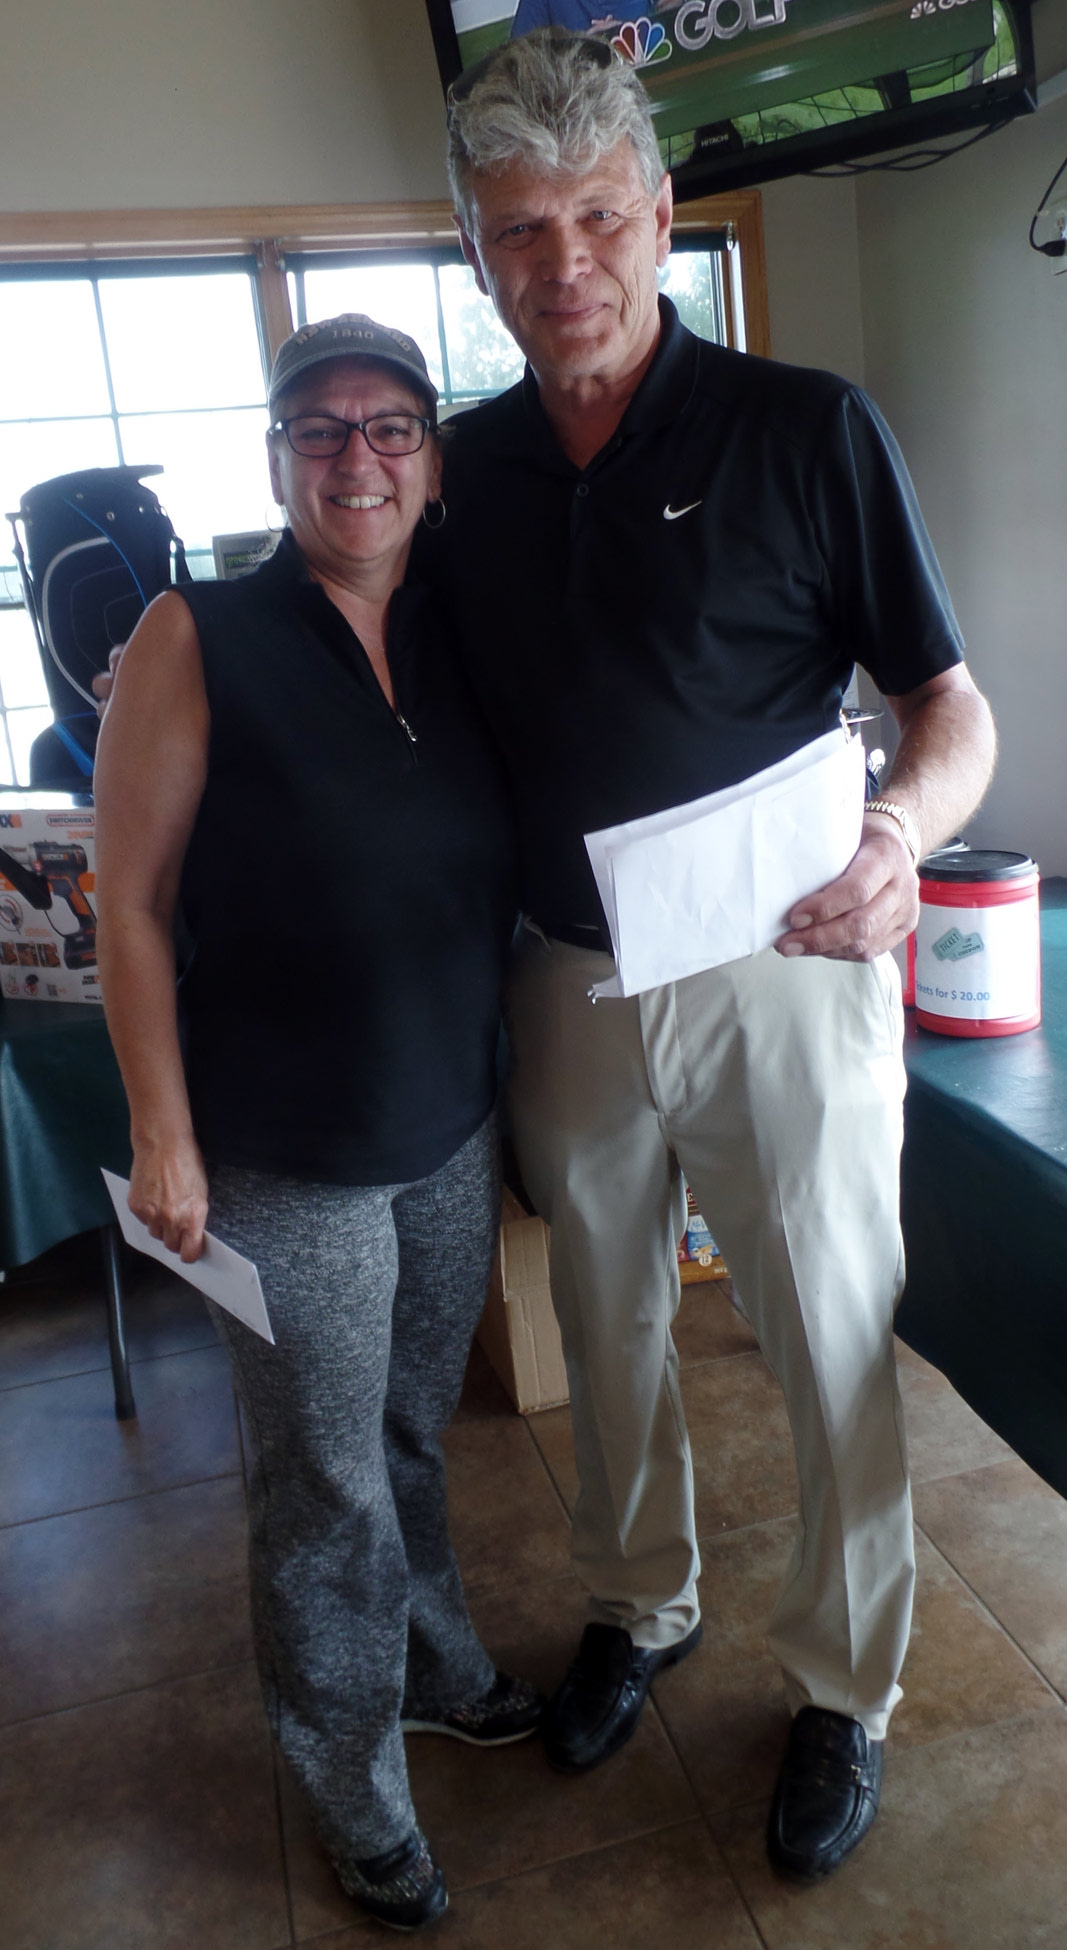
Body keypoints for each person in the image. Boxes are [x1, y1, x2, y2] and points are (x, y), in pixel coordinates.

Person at [432, 29, 997, 1881]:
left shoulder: (806, 427)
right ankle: (637, 1598)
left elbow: (952, 709)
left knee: (829, 1325)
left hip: (783, 966)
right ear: (478, 253)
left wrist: (899, 839)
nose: (565, 264)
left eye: (599, 216)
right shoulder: (462, 472)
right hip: (568, 978)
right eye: (521, 231)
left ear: (661, 211)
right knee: (604, 1326)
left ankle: (844, 1682)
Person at [92, 315, 540, 1934]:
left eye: (391, 426)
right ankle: (353, 1780)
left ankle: (434, 1662)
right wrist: (164, 1132)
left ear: (433, 457)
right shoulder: (196, 633)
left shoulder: (457, 624)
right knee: (324, 1481)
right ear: (278, 457)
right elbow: (128, 903)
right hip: (284, 1151)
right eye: (320, 428)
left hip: (446, 1123)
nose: (359, 457)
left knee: (408, 1433)